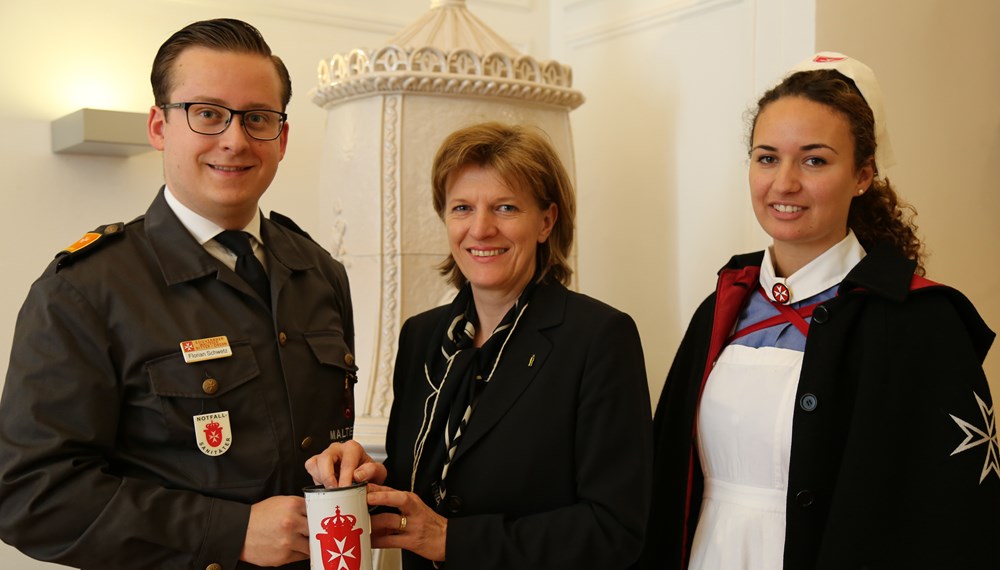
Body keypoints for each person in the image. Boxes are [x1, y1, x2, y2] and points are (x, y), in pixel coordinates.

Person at [0, 19, 357, 569]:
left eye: (258, 118)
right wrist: (230, 532)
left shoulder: (320, 271)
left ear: (282, 138)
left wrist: (348, 467)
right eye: (207, 114)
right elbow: (30, 496)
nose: (235, 140)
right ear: (160, 126)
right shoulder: (84, 290)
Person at [639, 52, 999, 569]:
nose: (784, 183)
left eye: (814, 160)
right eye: (767, 157)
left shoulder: (920, 319)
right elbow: (671, 476)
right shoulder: (721, 308)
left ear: (862, 175)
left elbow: (948, 511)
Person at [305, 122, 653, 569]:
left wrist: (455, 541)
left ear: (546, 221)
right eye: (462, 207)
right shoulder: (422, 336)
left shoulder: (600, 338)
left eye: (506, 208)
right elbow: (424, 488)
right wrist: (362, 478)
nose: (481, 228)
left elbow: (615, 530)